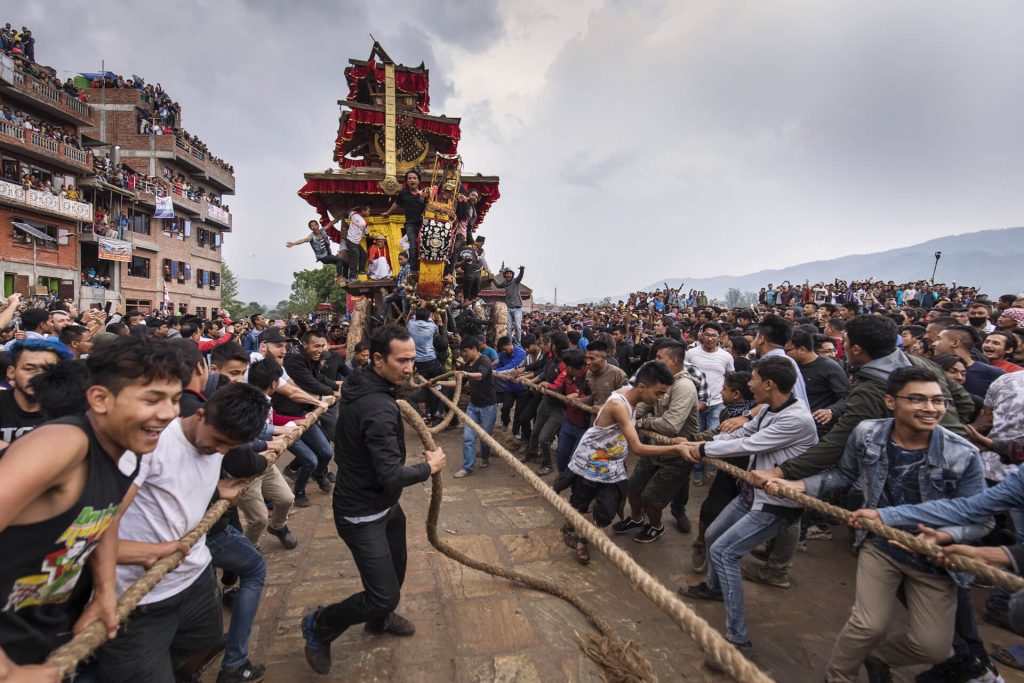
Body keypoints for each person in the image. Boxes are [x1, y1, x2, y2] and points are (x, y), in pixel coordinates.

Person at [766, 366, 988, 683]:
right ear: (890, 402)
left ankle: (878, 656)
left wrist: (947, 536)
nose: (930, 409)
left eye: (938, 401)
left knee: (935, 648)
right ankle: (839, 676)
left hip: (936, 559)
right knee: (867, 625)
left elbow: (980, 518)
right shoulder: (867, 433)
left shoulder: (962, 453)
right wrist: (799, 485)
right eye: (917, 399)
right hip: (879, 546)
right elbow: (844, 475)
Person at [0, 337, 189, 674]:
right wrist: (6, 670)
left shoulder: (124, 452)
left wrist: (104, 591)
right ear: (100, 399)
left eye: (175, 399)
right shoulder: (63, 443)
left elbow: (105, 517)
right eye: (153, 399)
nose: (170, 413)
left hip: (49, 638)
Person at [97, 382, 270, 683]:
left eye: (229, 447)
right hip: (139, 599)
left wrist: (217, 490)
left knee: (204, 643)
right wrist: (148, 553)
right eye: (217, 441)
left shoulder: (218, 443)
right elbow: (97, 528)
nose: (219, 452)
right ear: (200, 414)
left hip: (196, 578)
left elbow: (174, 489)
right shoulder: (151, 445)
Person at [301, 326, 445, 675]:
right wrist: (429, 467)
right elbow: (392, 476)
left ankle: (378, 621)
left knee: (394, 576)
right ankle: (320, 625)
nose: (410, 367)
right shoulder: (378, 408)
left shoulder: (363, 383)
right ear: (378, 359)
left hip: (385, 506)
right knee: (383, 593)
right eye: (402, 360)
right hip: (361, 513)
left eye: (412, 358)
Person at [677, 356, 818, 669]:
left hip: (776, 503)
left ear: (768, 384)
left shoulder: (796, 419)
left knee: (726, 553)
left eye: (753, 379)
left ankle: (737, 640)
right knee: (713, 536)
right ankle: (714, 588)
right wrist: (703, 440)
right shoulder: (769, 408)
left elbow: (752, 444)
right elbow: (740, 435)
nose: (749, 383)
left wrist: (700, 450)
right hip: (752, 493)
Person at [555, 361, 691, 564]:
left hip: (612, 466)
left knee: (607, 512)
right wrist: (675, 448)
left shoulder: (630, 394)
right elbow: (638, 448)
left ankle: (578, 524)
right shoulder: (620, 405)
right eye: (659, 393)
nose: (660, 399)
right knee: (580, 503)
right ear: (642, 387)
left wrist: (673, 439)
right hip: (590, 464)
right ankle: (580, 537)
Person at [612, 341, 699, 541]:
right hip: (654, 446)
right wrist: (627, 414)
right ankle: (636, 519)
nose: (655, 361)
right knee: (633, 488)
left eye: (660, 357)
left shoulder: (684, 386)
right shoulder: (660, 381)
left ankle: (656, 526)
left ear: (674, 361)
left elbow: (670, 425)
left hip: (676, 453)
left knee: (651, 498)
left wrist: (641, 422)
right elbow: (642, 405)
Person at [0, 338, 71, 449]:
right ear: (11, 372)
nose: (38, 377)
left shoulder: (70, 410)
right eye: (29, 369)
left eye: (48, 370)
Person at [452, 336, 497, 477]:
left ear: (474, 349)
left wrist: (465, 373)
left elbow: (480, 376)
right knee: (468, 437)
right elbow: (458, 383)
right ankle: (467, 467)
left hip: (488, 406)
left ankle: (485, 456)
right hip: (473, 406)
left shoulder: (485, 361)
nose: (463, 354)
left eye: (465, 351)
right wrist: (436, 384)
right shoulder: (467, 365)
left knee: (485, 438)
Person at [932, 325, 1004, 397]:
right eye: (952, 371)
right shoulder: (932, 369)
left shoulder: (993, 374)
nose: (933, 344)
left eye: (939, 339)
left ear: (955, 342)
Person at [381, 170, 426, 274]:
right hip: (410, 224)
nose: (412, 180)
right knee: (413, 246)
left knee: (423, 246)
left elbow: (430, 206)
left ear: (418, 181)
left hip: (423, 224)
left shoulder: (424, 193)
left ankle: (423, 267)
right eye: (409, 178)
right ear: (407, 181)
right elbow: (396, 204)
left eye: (414, 178)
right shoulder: (403, 193)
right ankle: (413, 270)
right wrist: (388, 213)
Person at [492, 266, 525, 343]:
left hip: (517, 308)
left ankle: (518, 342)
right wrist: (492, 278)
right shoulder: (505, 283)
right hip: (509, 308)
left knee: (517, 326)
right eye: (507, 273)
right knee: (508, 327)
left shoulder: (515, 281)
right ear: (505, 275)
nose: (509, 275)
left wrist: (522, 270)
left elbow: (520, 277)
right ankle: (509, 342)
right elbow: (498, 285)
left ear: (512, 275)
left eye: (510, 273)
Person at [345, 206, 369, 280]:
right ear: (363, 211)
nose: (369, 213)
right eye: (368, 211)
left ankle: (361, 271)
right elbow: (367, 233)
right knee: (355, 258)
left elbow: (348, 211)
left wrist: (355, 207)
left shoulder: (354, 214)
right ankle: (352, 276)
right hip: (351, 241)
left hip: (356, 242)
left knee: (364, 255)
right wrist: (371, 236)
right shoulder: (364, 222)